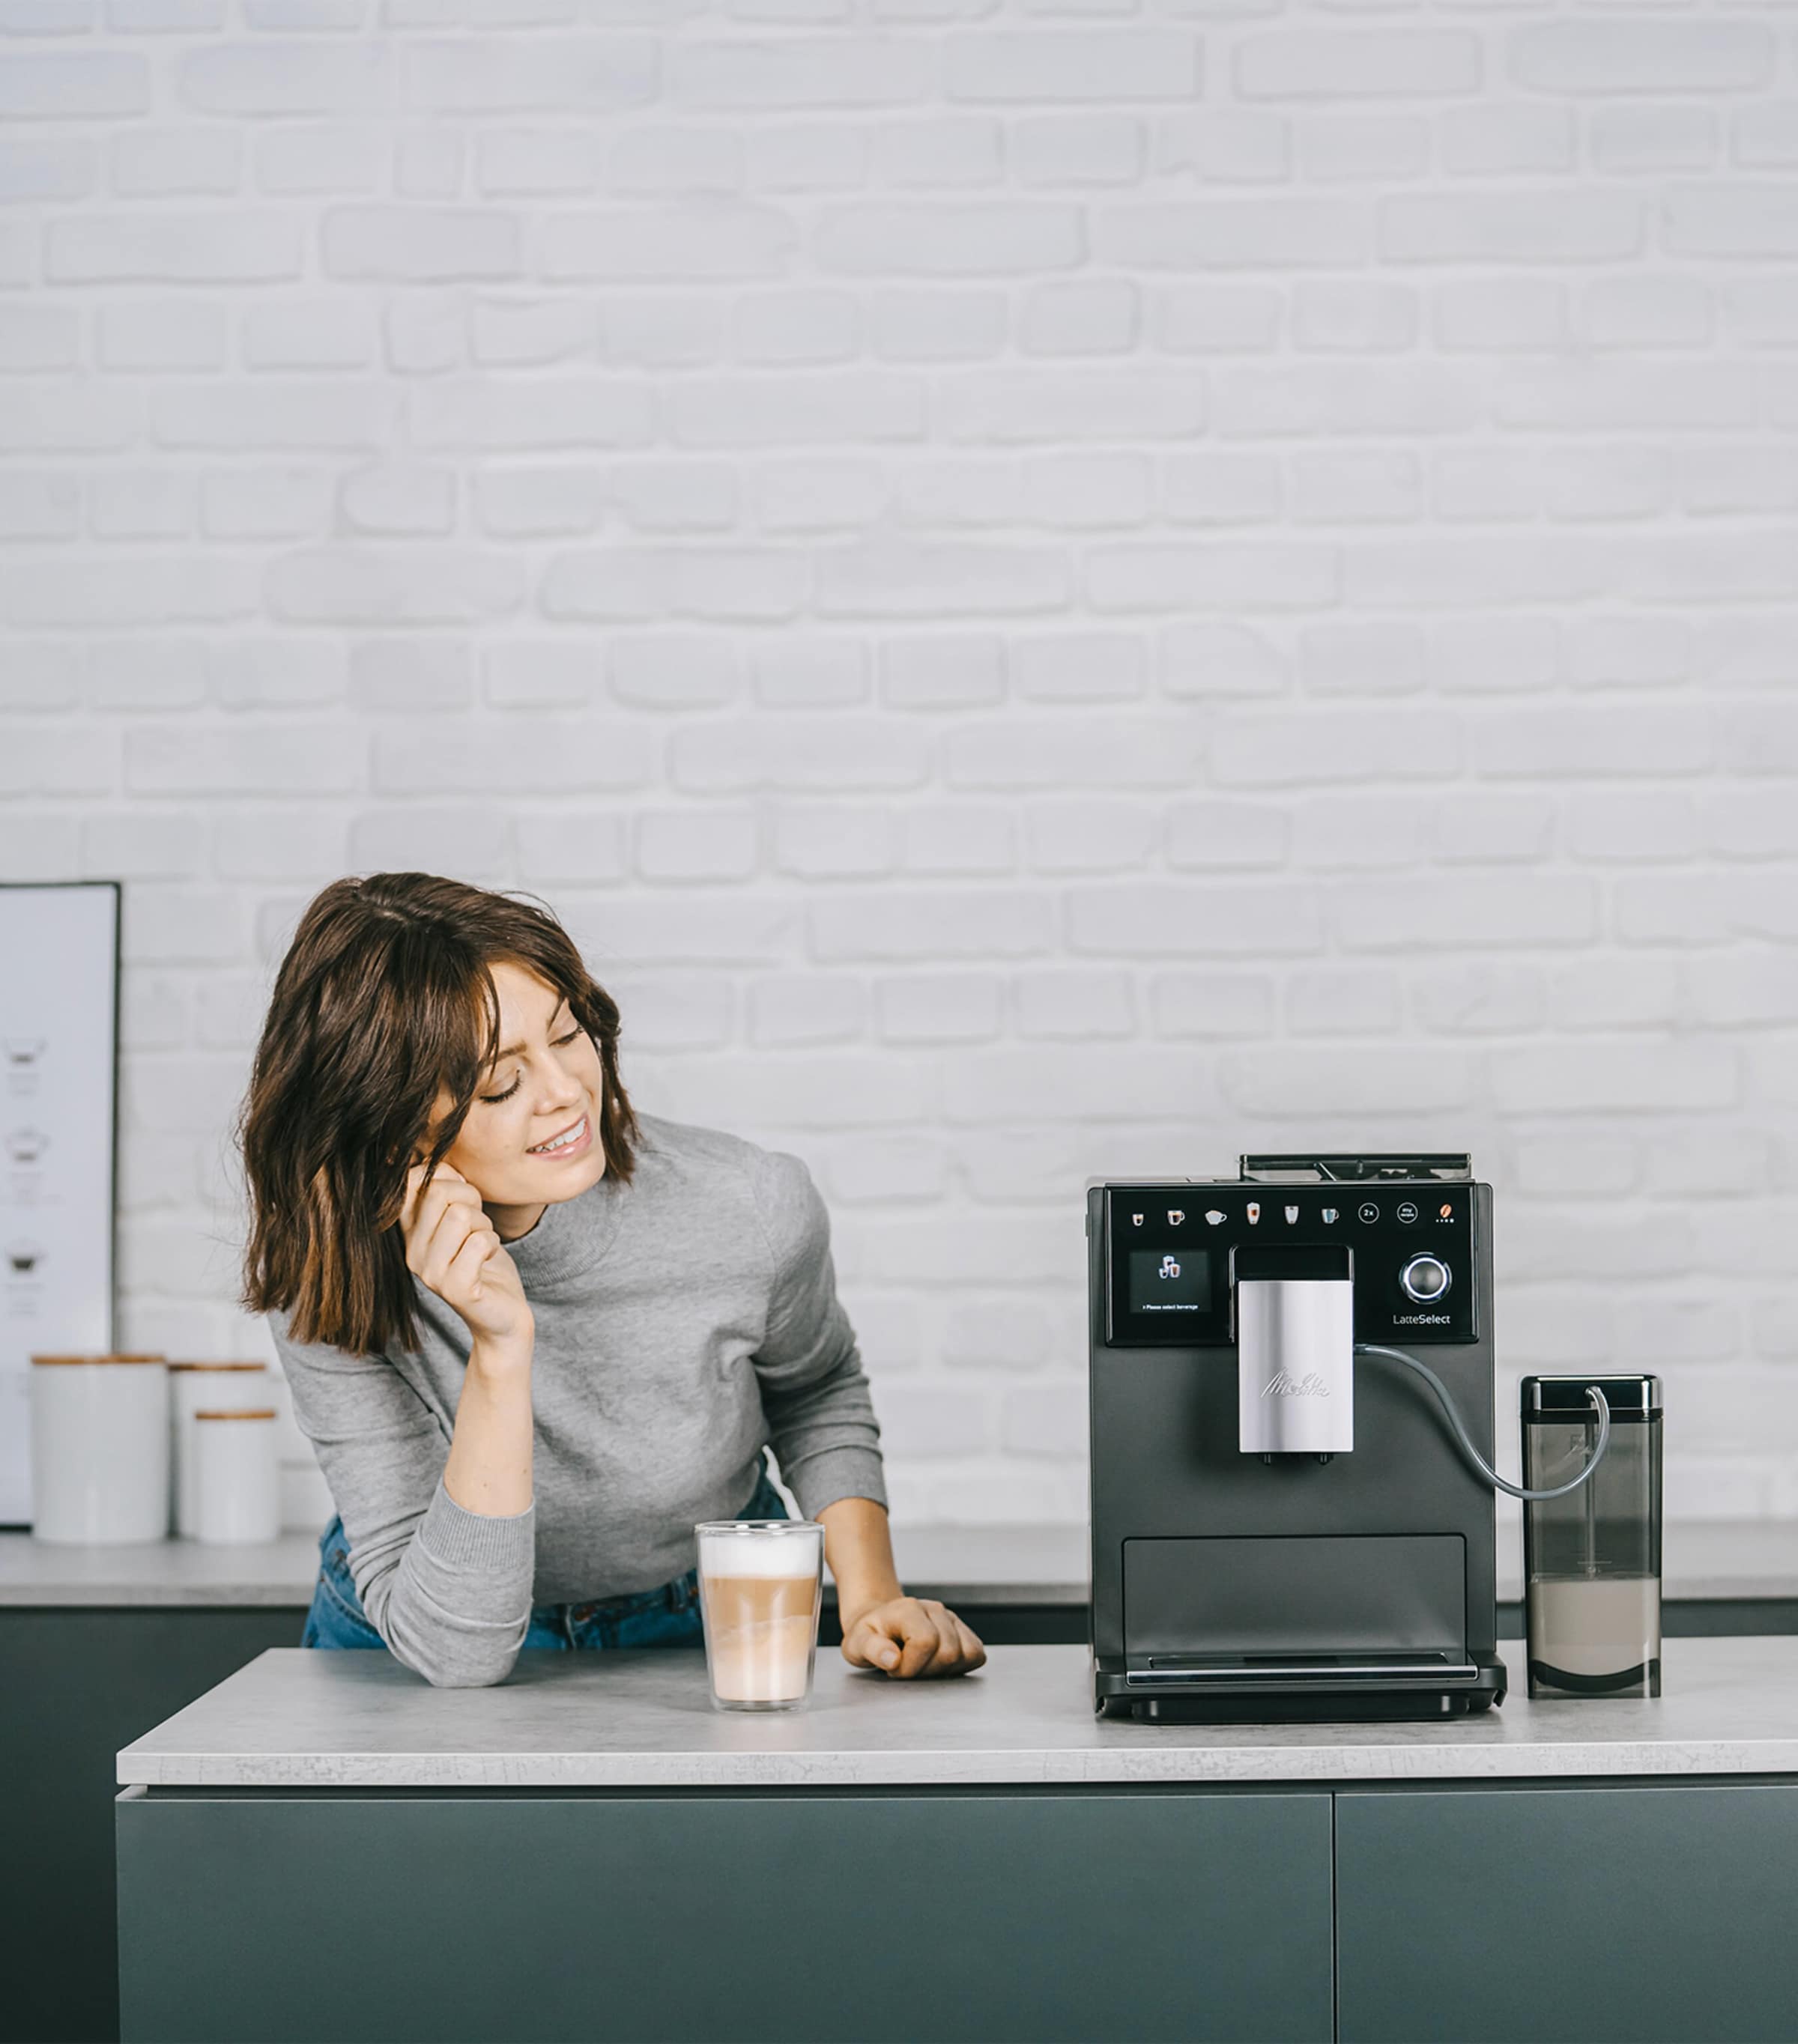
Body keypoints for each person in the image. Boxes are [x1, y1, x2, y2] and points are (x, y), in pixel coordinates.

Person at [239, 871, 985, 1690]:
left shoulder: (748, 1203)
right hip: (411, 1634)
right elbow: (456, 1649)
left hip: (701, 1612)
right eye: (501, 1082)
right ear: (388, 1127)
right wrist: (500, 1347)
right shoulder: (326, 1268)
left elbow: (815, 1387)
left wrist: (872, 1596)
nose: (566, 1092)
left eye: (566, 1036)